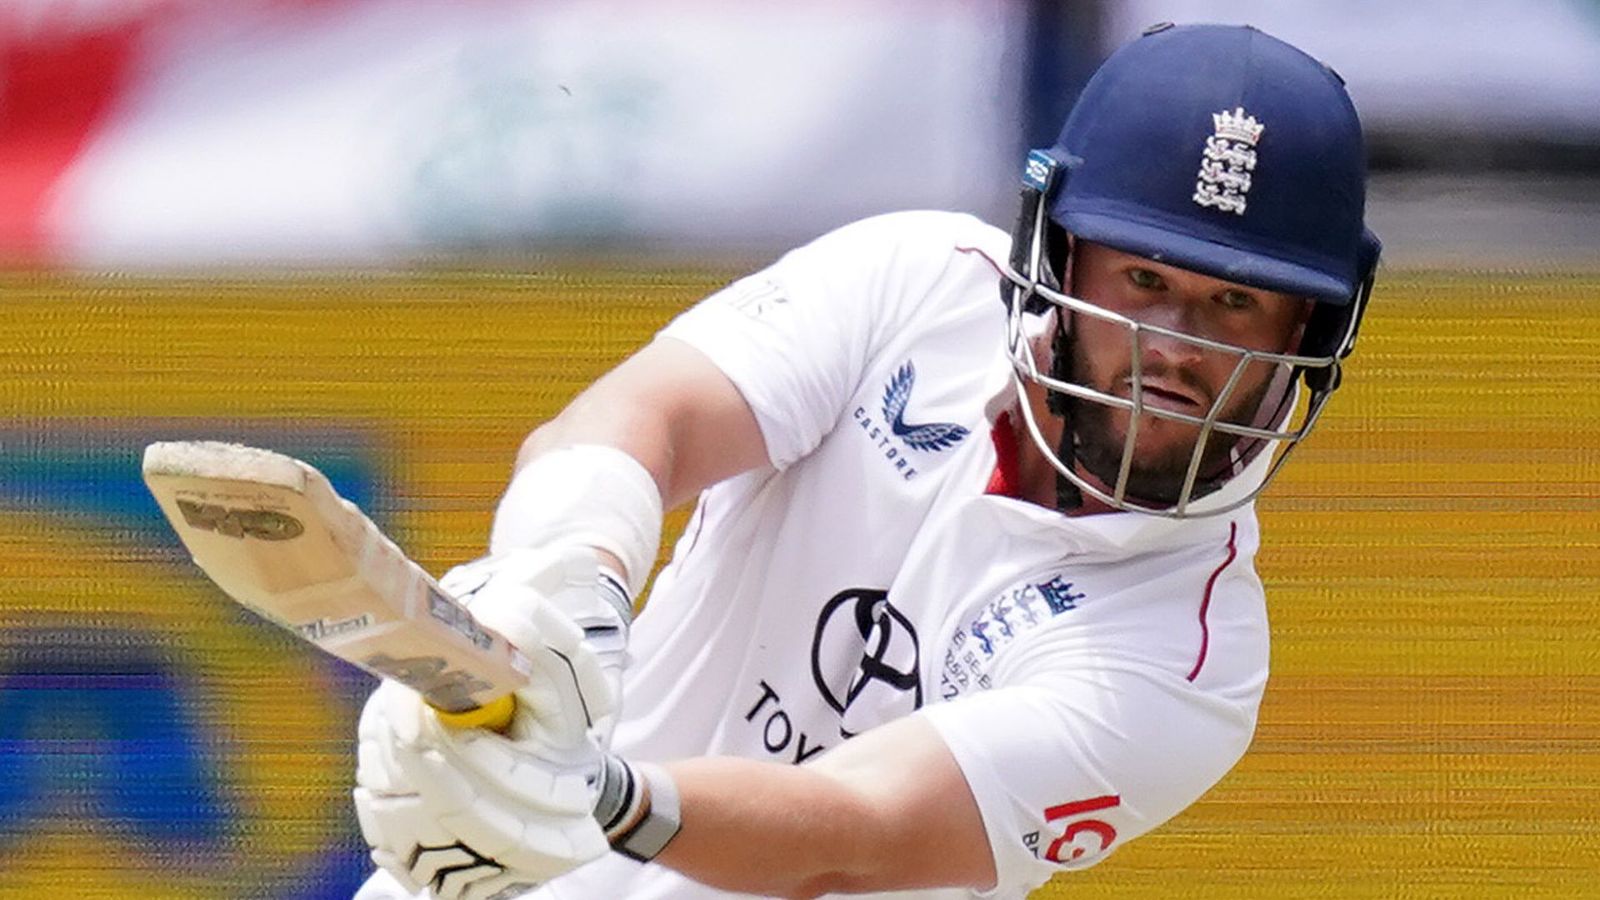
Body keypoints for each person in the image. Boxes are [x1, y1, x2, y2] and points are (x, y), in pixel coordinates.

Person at [352, 22, 1380, 900]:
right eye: (1143, 279)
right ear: (1058, 254)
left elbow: (851, 827)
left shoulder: (1189, 657)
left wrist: (592, 792)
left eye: (1234, 302)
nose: (1174, 348)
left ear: (1311, 330)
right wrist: (566, 594)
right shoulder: (916, 283)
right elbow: (644, 418)